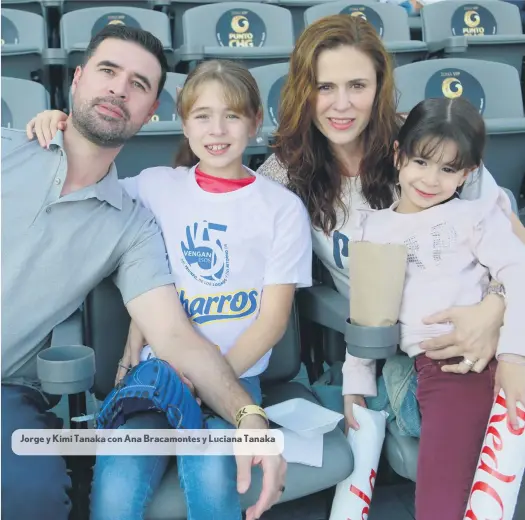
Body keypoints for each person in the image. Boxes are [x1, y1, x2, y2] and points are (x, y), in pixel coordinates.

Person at [2, 25, 285, 520]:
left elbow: (175, 335)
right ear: (77, 79)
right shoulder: (7, 148)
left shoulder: (131, 220)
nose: (119, 89)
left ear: (152, 110)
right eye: (108, 72)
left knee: (37, 497)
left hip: (6, 392)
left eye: (139, 84)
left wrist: (249, 417)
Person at [255, 14, 525, 409]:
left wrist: (493, 312)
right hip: (403, 347)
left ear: (379, 88)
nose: (342, 104)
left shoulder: (429, 145)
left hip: (494, 325)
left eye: (358, 86)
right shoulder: (284, 171)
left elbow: (515, 242)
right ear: (303, 91)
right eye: (325, 86)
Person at [342, 97, 525, 519]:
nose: (431, 179)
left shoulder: (477, 215)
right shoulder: (375, 226)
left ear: (468, 173)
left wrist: (513, 358)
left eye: (448, 169)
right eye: (421, 162)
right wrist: (356, 383)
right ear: (398, 156)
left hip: (491, 355)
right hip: (442, 367)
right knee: (441, 503)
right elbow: (369, 313)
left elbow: (518, 273)